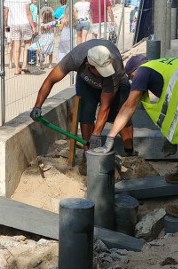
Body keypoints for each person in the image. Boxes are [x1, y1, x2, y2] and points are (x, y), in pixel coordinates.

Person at [95, 54, 178, 224]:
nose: (134, 82)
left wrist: (110, 138)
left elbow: (128, 106)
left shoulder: (143, 72)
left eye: (131, 78)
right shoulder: (165, 65)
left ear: (134, 71)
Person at [30, 39, 136, 173]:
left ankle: (130, 154)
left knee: (120, 113)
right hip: (86, 82)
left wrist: (97, 134)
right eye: (100, 70)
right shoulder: (74, 58)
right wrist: (37, 106)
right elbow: (50, 80)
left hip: (118, 81)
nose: (104, 72)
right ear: (88, 65)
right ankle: (88, 155)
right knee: (86, 112)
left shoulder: (112, 70)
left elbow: (105, 106)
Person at [3, 0, 36, 75]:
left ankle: (17, 67)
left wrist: (6, 24)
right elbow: (28, 12)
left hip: (14, 24)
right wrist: (33, 26)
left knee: (16, 46)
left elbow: (5, 13)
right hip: (25, 23)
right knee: (27, 44)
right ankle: (25, 65)